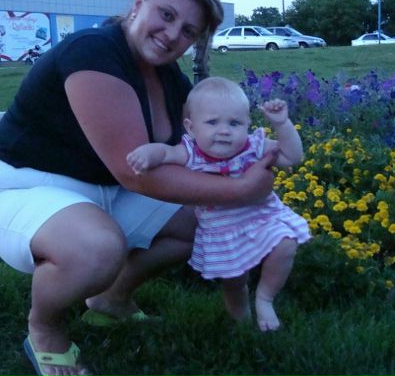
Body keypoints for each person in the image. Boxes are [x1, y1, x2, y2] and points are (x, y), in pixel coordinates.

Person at [0, 0, 277, 376]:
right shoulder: (93, 51)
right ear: (138, 4)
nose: (172, 34)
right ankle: (44, 328)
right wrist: (241, 190)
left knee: (202, 219)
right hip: (24, 185)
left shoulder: (170, 79)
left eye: (188, 31)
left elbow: (194, 154)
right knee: (96, 248)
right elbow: (134, 173)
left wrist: (257, 158)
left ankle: (110, 299)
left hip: (106, 191)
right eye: (166, 15)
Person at [127, 77, 311, 332]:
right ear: (191, 128)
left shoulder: (253, 146)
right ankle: (242, 322)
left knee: (286, 243)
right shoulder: (190, 153)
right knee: (234, 282)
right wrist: (148, 153)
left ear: (247, 125)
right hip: (222, 230)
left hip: (262, 217)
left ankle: (265, 298)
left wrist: (282, 124)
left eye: (235, 123)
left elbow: (292, 156)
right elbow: (165, 153)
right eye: (213, 122)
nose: (224, 131)